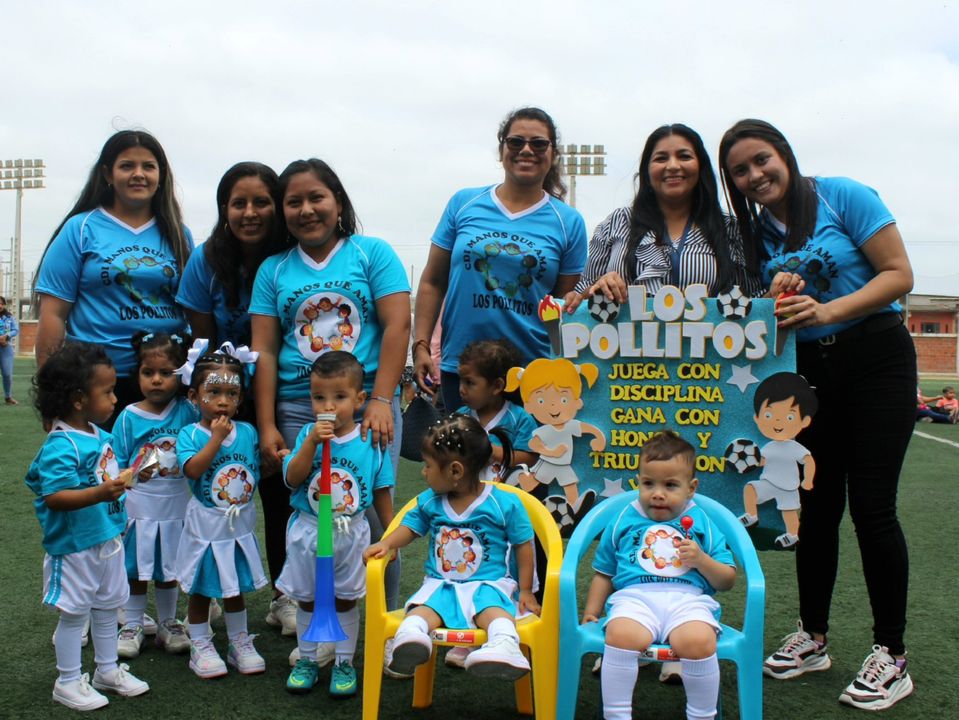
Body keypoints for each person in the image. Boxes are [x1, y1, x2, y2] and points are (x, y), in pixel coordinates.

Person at [720, 119, 915, 711]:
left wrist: (827, 310)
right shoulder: (753, 234)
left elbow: (899, 274)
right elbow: (761, 313)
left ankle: (892, 654)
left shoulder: (842, 195)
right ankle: (813, 636)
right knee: (815, 507)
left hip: (877, 358)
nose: (755, 176)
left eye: (761, 160)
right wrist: (775, 297)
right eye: (740, 171)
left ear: (784, 153)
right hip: (811, 373)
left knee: (873, 508)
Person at [250, 158, 410, 618]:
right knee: (309, 513)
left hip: (366, 405)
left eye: (316, 197)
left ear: (337, 201)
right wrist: (266, 424)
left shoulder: (371, 253)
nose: (306, 209)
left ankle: (386, 623)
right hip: (299, 408)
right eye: (293, 201)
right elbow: (264, 350)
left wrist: (380, 399)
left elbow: (398, 325)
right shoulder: (273, 270)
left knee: (373, 516)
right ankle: (314, 626)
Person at [175, 161, 299, 640]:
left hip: (277, 391)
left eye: (261, 202)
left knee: (277, 493)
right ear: (223, 209)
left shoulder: (289, 258)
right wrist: (213, 401)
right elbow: (202, 343)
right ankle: (205, 587)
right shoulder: (206, 260)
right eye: (238, 203)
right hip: (222, 394)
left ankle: (284, 594)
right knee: (209, 490)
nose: (250, 212)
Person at [413, 107, 588, 407]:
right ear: (501, 149)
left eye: (538, 144)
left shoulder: (568, 221)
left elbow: (561, 306)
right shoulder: (464, 203)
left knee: (524, 443)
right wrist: (421, 346)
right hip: (463, 370)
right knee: (461, 441)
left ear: (553, 154)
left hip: (533, 374)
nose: (526, 150)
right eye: (516, 142)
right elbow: (432, 281)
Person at [33, 130, 193, 426]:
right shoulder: (80, 228)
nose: (138, 174)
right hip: (97, 382)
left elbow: (193, 309)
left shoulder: (179, 234)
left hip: (166, 379)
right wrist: (51, 398)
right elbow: (53, 315)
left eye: (148, 166)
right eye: (127, 166)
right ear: (108, 173)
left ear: (161, 175)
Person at [364, 413, 540, 680]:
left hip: (488, 585)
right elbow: (409, 528)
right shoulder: (430, 502)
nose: (423, 472)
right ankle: (411, 639)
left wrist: (526, 590)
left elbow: (523, 545)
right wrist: (386, 543)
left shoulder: (503, 504)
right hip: (441, 585)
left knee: (495, 614)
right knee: (421, 612)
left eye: (428, 466)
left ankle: (504, 646)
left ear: (455, 471)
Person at [26, 341, 149, 710]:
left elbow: (106, 476)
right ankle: (66, 681)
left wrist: (134, 474)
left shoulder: (98, 435)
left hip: (106, 538)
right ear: (79, 399)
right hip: (75, 546)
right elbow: (55, 496)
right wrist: (100, 493)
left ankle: (106, 671)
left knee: (107, 608)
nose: (115, 398)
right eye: (107, 391)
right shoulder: (62, 445)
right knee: (74, 614)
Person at [582, 431, 736, 720]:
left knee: (699, 641)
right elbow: (604, 573)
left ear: (691, 488)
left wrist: (701, 561)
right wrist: (592, 611)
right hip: (634, 599)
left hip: (688, 601)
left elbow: (726, 580)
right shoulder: (624, 519)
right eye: (648, 483)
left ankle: (702, 715)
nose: (658, 493)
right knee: (620, 635)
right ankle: (616, 715)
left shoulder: (702, 521)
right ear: (638, 482)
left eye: (670, 485)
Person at [279, 352, 394, 698]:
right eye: (319, 397)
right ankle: (308, 660)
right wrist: (311, 443)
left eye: (339, 397)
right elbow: (292, 478)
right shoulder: (307, 434)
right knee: (307, 600)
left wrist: (390, 533)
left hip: (350, 533)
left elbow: (381, 488)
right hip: (309, 530)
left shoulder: (369, 440)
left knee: (345, 600)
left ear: (359, 399)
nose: (328, 406)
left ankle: (344, 663)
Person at [565, 123, 761, 318]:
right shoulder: (617, 222)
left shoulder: (730, 228)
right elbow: (579, 296)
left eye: (684, 156)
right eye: (661, 158)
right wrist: (598, 287)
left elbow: (756, 304)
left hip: (712, 339)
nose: (673, 166)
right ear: (647, 170)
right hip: (627, 339)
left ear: (701, 166)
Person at [174, 343, 267, 679]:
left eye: (232, 393)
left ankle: (239, 640)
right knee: (203, 587)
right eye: (213, 392)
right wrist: (214, 439)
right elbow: (193, 470)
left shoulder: (248, 432)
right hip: (207, 528)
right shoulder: (190, 434)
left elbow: (254, 471)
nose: (223, 401)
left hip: (238, 527)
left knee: (235, 585)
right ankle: (200, 641)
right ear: (194, 396)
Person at [111, 332, 197, 659]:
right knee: (135, 568)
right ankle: (132, 624)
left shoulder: (189, 411)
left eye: (165, 373)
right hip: (138, 508)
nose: (156, 380)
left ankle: (167, 623)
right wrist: (128, 481)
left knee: (168, 568)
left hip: (177, 507)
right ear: (138, 374)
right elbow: (116, 464)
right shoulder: (128, 416)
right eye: (148, 373)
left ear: (181, 374)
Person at [739, 372, 817, 549]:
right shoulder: (769, 446)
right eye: (768, 415)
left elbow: (808, 461)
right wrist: (751, 462)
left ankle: (792, 535)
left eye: (789, 417)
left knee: (789, 512)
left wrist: (808, 480)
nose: (778, 422)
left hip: (789, 487)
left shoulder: (794, 447)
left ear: (804, 421)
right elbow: (763, 462)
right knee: (750, 488)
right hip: (769, 482)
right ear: (757, 418)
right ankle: (751, 516)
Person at [454, 339, 538, 481]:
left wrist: (492, 451)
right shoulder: (459, 418)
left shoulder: (520, 419)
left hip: (506, 492)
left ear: (497, 386)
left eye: (469, 382)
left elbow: (530, 458)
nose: (461, 389)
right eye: (460, 381)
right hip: (467, 491)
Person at [0, 296, 19, 404]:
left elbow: (15, 330)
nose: (0, 305)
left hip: (6, 348)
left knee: (7, 374)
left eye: (1, 303)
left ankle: (8, 397)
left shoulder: (9, 317)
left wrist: (6, 336)